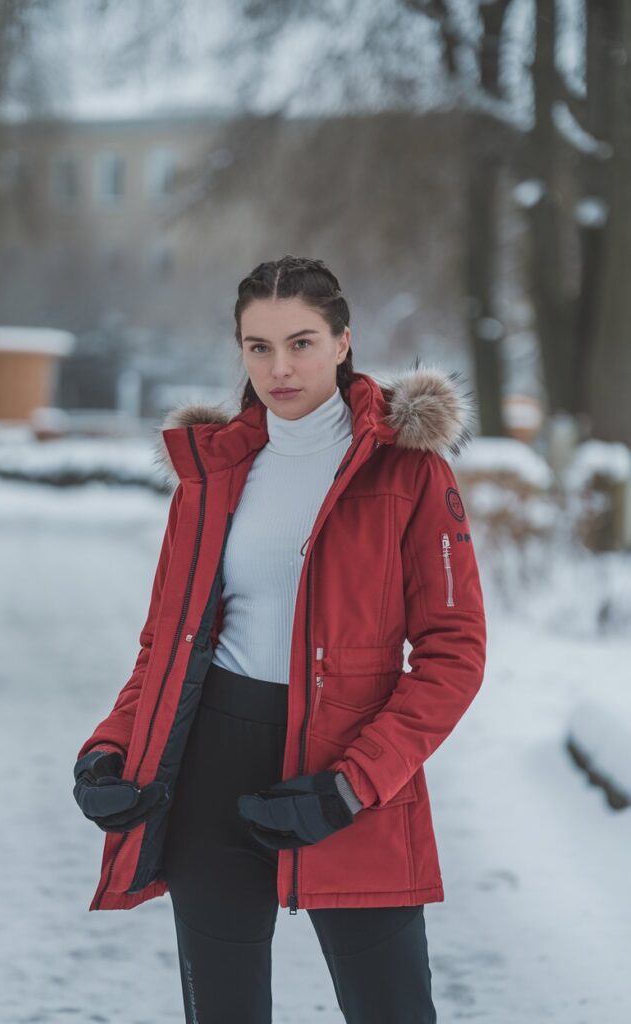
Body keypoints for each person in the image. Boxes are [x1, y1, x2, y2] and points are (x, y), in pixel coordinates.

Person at [73, 254, 487, 1023]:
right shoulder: (213, 472)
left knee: (391, 1009)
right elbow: (166, 646)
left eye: (300, 342)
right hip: (211, 770)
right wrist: (110, 748)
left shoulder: (408, 471)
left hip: (348, 769)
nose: (279, 367)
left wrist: (351, 785)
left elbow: (453, 654)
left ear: (341, 342)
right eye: (257, 346)